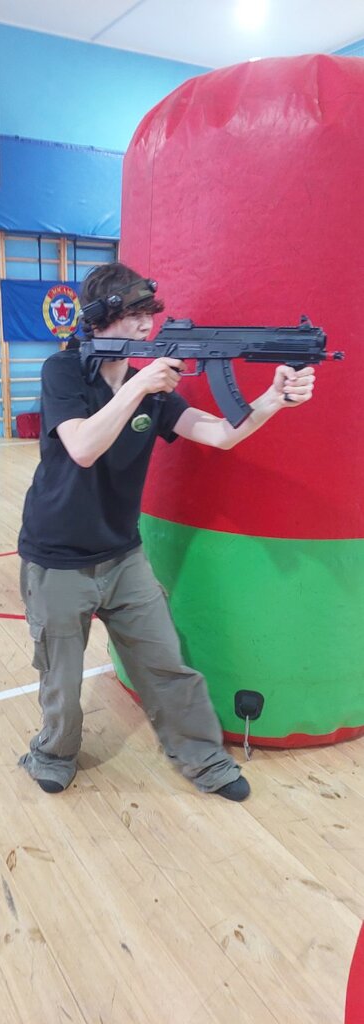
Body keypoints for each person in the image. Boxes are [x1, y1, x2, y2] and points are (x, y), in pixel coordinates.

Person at [18, 262, 315, 801]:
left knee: (165, 664)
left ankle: (205, 759)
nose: (145, 325)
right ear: (99, 319)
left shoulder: (151, 390)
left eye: (148, 315)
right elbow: (82, 447)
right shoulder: (63, 371)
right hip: (57, 556)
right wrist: (139, 386)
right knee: (60, 676)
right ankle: (54, 753)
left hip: (122, 555)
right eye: (133, 315)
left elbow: (221, 434)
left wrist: (273, 399)